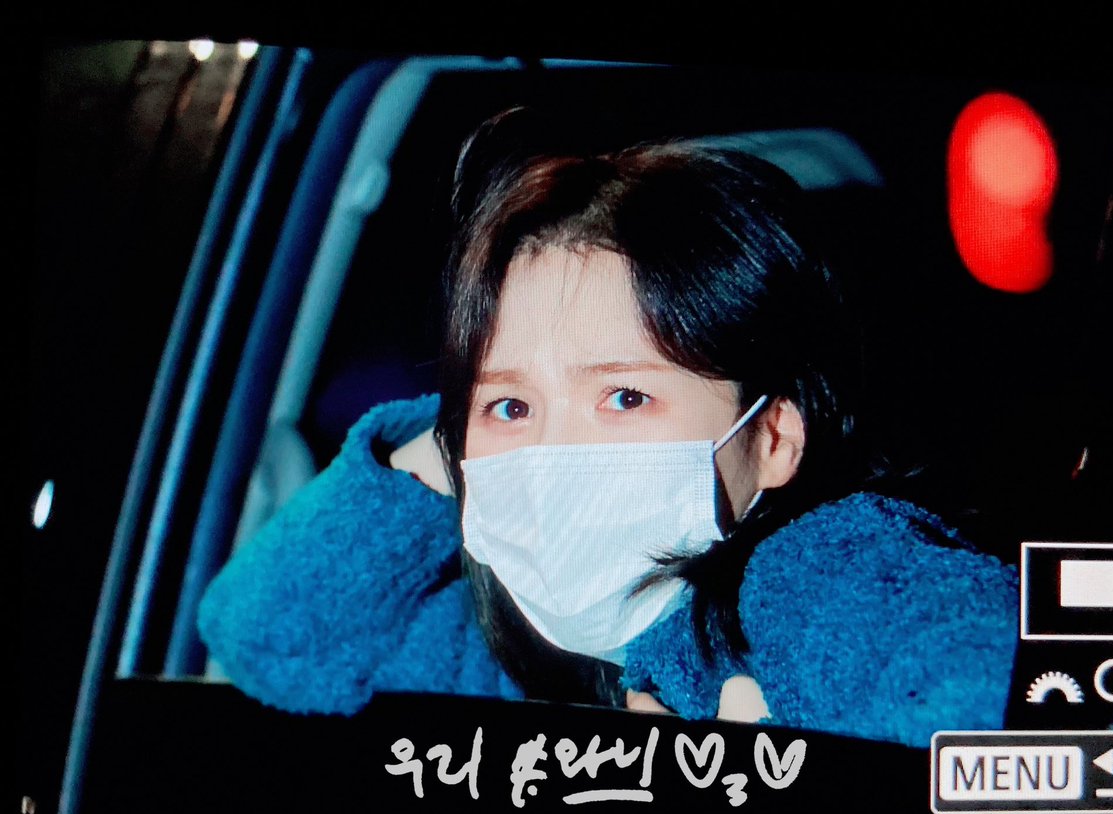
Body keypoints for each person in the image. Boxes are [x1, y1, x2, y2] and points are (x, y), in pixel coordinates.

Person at [198, 112, 1019, 748]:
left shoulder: (817, 579)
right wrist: (444, 443)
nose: (553, 455)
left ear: (772, 437)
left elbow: (1011, 716)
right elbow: (270, 640)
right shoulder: (499, 645)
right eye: (511, 409)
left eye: (625, 396)